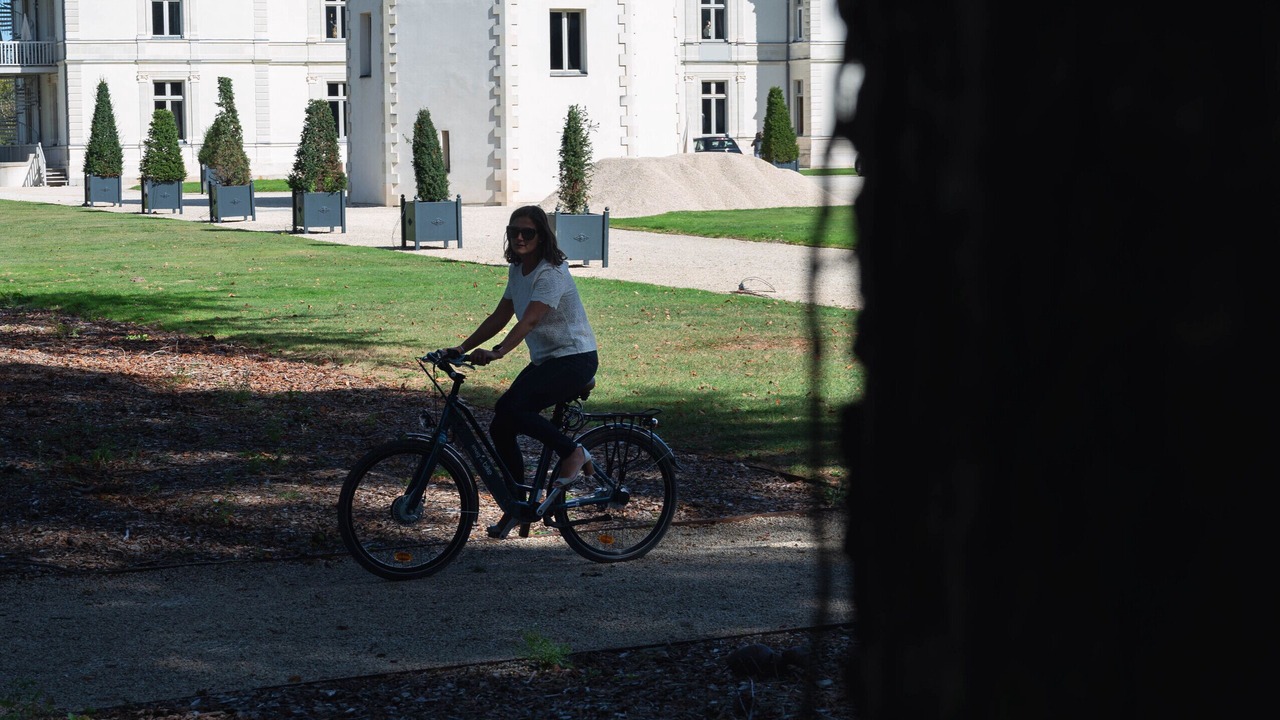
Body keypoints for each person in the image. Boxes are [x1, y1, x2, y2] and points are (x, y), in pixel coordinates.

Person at [445, 205, 599, 489]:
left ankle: (573, 452)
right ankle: (516, 499)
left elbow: (529, 320)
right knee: (501, 423)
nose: (519, 238)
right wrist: (461, 347)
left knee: (514, 410)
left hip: (574, 358)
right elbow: (500, 316)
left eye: (527, 232)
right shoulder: (518, 269)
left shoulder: (551, 272)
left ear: (541, 236)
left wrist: (498, 351)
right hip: (548, 360)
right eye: (513, 232)